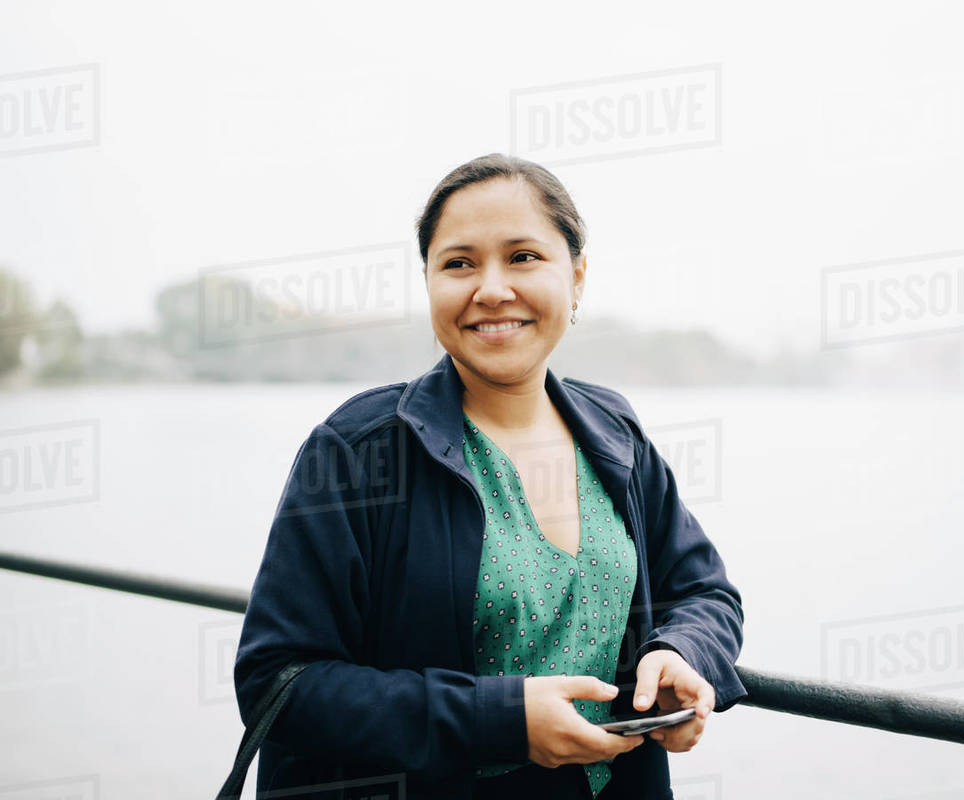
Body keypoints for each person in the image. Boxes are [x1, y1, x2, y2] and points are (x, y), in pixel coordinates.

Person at [234, 153, 747, 800]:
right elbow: (278, 681)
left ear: (578, 277)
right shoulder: (358, 451)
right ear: (428, 283)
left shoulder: (615, 434)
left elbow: (704, 591)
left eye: (524, 256)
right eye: (459, 263)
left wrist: (683, 654)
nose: (493, 288)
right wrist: (498, 720)